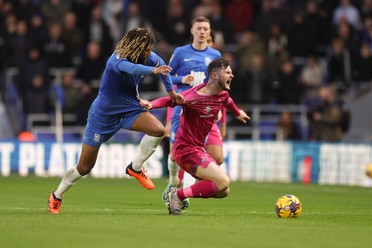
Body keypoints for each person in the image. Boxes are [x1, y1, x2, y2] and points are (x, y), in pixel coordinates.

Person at [47, 28, 184, 214]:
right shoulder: (117, 59)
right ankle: (57, 195)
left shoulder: (149, 58)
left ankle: (135, 168)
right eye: (146, 49)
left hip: (129, 108)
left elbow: (164, 71)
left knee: (158, 130)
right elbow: (132, 69)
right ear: (136, 48)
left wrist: (171, 92)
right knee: (85, 167)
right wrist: (153, 70)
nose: (149, 53)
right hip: (103, 115)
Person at [141, 58, 250, 215]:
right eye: (227, 72)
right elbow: (169, 100)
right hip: (185, 150)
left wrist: (237, 112)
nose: (231, 75)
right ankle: (177, 195)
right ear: (214, 75)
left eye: (231, 73)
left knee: (223, 191)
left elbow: (228, 101)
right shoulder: (193, 97)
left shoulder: (222, 95)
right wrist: (151, 104)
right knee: (223, 181)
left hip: (198, 150)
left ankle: (181, 193)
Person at [162, 17, 223, 209]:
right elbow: (167, 76)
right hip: (184, 108)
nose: (202, 32)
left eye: (206, 29)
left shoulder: (215, 54)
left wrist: (219, 107)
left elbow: (219, 83)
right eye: (199, 29)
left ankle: (184, 189)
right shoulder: (181, 53)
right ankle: (175, 185)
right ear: (192, 30)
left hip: (205, 110)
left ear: (210, 31)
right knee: (174, 155)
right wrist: (182, 79)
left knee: (215, 156)